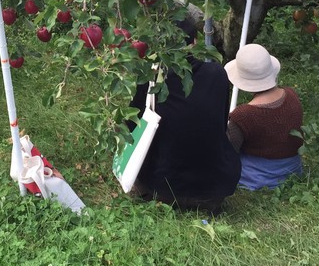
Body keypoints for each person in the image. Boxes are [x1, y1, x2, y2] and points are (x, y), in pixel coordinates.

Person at [129, 21, 242, 213]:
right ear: (195, 42)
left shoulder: (152, 78)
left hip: (162, 187)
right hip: (214, 189)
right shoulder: (217, 74)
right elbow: (221, 122)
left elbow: (132, 124)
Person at [225, 44, 303, 189]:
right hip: (293, 171)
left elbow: (228, 151)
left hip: (257, 179)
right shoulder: (292, 96)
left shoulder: (242, 116)